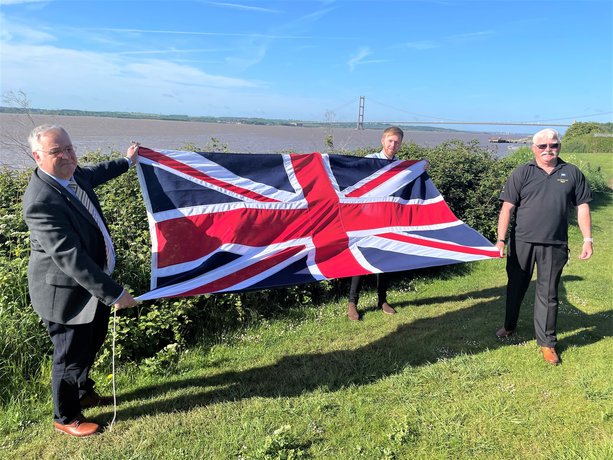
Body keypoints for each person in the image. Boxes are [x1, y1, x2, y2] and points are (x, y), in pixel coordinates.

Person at [22, 125, 140, 437]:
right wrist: (114, 294)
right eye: (55, 152)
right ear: (37, 157)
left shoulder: (74, 176)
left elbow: (98, 172)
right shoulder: (41, 200)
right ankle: (66, 417)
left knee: (92, 342)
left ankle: (84, 391)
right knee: (69, 356)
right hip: (66, 295)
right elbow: (69, 256)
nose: (66, 156)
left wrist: (127, 162)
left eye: (69, 148)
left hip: (92, 289)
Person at [494, 128, 593, 365]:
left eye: (554, 145)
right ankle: (509, 325)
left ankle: (547, 343)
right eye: (543, 146)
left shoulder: (572, 173)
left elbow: (582, 208)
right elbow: (508, 207)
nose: (549, 150)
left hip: (555, 244)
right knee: (516, 287)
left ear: (559, 147)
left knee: (548, 294)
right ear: (534, 149)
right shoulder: (522, 172)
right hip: (522, 242)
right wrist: (501, 239)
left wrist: (588, 239)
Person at [347, 126, 404, 321]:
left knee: (384, 260)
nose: (393, 145)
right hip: (366, 219)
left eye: (397, 142)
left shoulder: (401, 166)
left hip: (388, 220)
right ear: (383, 140)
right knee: (360, 261)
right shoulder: (370, 160)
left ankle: (382, 300)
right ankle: (352, 303)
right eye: (390, 141)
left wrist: (423, 166)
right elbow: (351, 175)